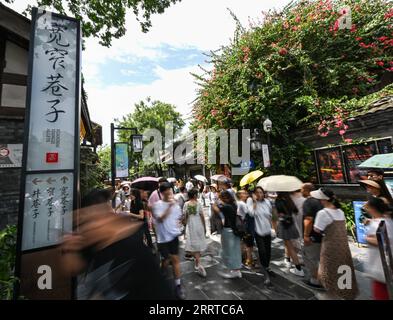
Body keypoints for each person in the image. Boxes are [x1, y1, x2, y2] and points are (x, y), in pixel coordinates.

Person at [61, 188, 175, 300]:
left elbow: (161, 292)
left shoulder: (134, 248)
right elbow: (73, 268)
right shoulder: (91, 243)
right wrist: (70, 249)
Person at [312, 188, 359, 300]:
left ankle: (330, 296)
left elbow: (317, 229)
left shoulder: (322, 213)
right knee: (343, 269)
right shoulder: (340, 211)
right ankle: (345, 294)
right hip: (343, 246)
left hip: (330, 246)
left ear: (324, 199)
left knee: (329, 270)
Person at [152, 182, 186, 300]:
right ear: (161, 193)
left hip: (173, 237)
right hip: (162, 239)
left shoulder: (176, 206)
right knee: (165, 261)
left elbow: (179, 219)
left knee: (175, 260)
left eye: (170, 192)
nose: (169, 194)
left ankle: (178, 286)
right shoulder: (157, 205)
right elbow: (160, 219)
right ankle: (162, 277)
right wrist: (169, 207)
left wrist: (180, 226)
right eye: (166, 193)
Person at [363, 196, 393, 300]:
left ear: (373, 209)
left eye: (368, 207)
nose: (366, 209)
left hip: (380, 265)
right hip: (385, 264)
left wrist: (366, 238)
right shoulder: (387, 220)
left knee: (381, 293)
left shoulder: (377, 224)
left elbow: (380, 241)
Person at [246, 187, 273, 284]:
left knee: (268, 250)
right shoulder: (250, 201)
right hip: (258, 231)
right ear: (254, 194)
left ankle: (267, 266)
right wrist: (254, 202)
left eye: (261, 192)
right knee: (262, 251)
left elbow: (270, 215)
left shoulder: (267, 202)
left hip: (267, 230)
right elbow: (251, 214)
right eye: (257, 192)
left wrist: (272, 228)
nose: (259, 194)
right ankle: (265, 270)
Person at [214, 190, 242, 279]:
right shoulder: (234, 204)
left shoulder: (226, 206)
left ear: (224, 198)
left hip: (228, 230)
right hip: (235, 230)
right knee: (236, 250)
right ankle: (237, 270)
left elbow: (215, 208)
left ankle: (234, 271)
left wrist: (216, 202)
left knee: (229, 251)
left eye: (220, 198)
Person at [301, 183, 324, 289]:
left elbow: (309, 219)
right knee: (319, 257)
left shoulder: (309, 202)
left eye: (302, 189)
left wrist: (306, 235)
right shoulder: (320, 200)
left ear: (307, 190)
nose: (300, 191)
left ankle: (316, 281)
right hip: (321, 235)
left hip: (312, 236)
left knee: (310, 258)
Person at [276, 192, 304, 277]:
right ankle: (287, 260)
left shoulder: (278, 200)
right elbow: (296, 211)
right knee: (288, 244)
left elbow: (278, 214)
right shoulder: (289, 199)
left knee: (289, 246)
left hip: (284, 225)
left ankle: (298, 268)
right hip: (291, 224)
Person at [183, 189, 207, 277]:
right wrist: (204, 227)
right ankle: (198, 262)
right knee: (198, 244)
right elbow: (202, 216)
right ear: (194, 195)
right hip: (198, 225)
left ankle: (197, 262)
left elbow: (185, 217)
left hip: (190, 226)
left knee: (193, 244)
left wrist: (184, 224)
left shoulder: (186, 204)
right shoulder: (199, 204)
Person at [237, 190, 254, 269]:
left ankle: (242, 259)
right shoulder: (242, 204)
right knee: (248, 244)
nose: (246, 194)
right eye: (244, 193)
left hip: (242, 226)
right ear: (240, 195)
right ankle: (248, 261)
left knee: (244, 243)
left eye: (246, 193)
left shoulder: (239, 203)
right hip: (245, 226)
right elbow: (250, 213)